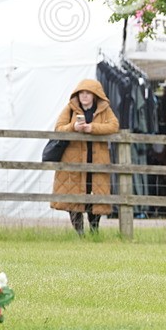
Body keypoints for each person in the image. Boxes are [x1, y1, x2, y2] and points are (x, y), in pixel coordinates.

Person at [50, 79, 120, 235]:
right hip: (73, 161)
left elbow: (114, 126)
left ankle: (94, 231)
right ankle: (79, 233)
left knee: (95, 196)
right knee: (74, 198)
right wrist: (73, 127)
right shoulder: (70, 109)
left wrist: (92, 128)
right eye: (82, 93)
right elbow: (58, 129)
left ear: (95, 95)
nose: (85, 96)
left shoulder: (104, 109)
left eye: (88, 93)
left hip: (97, 161)